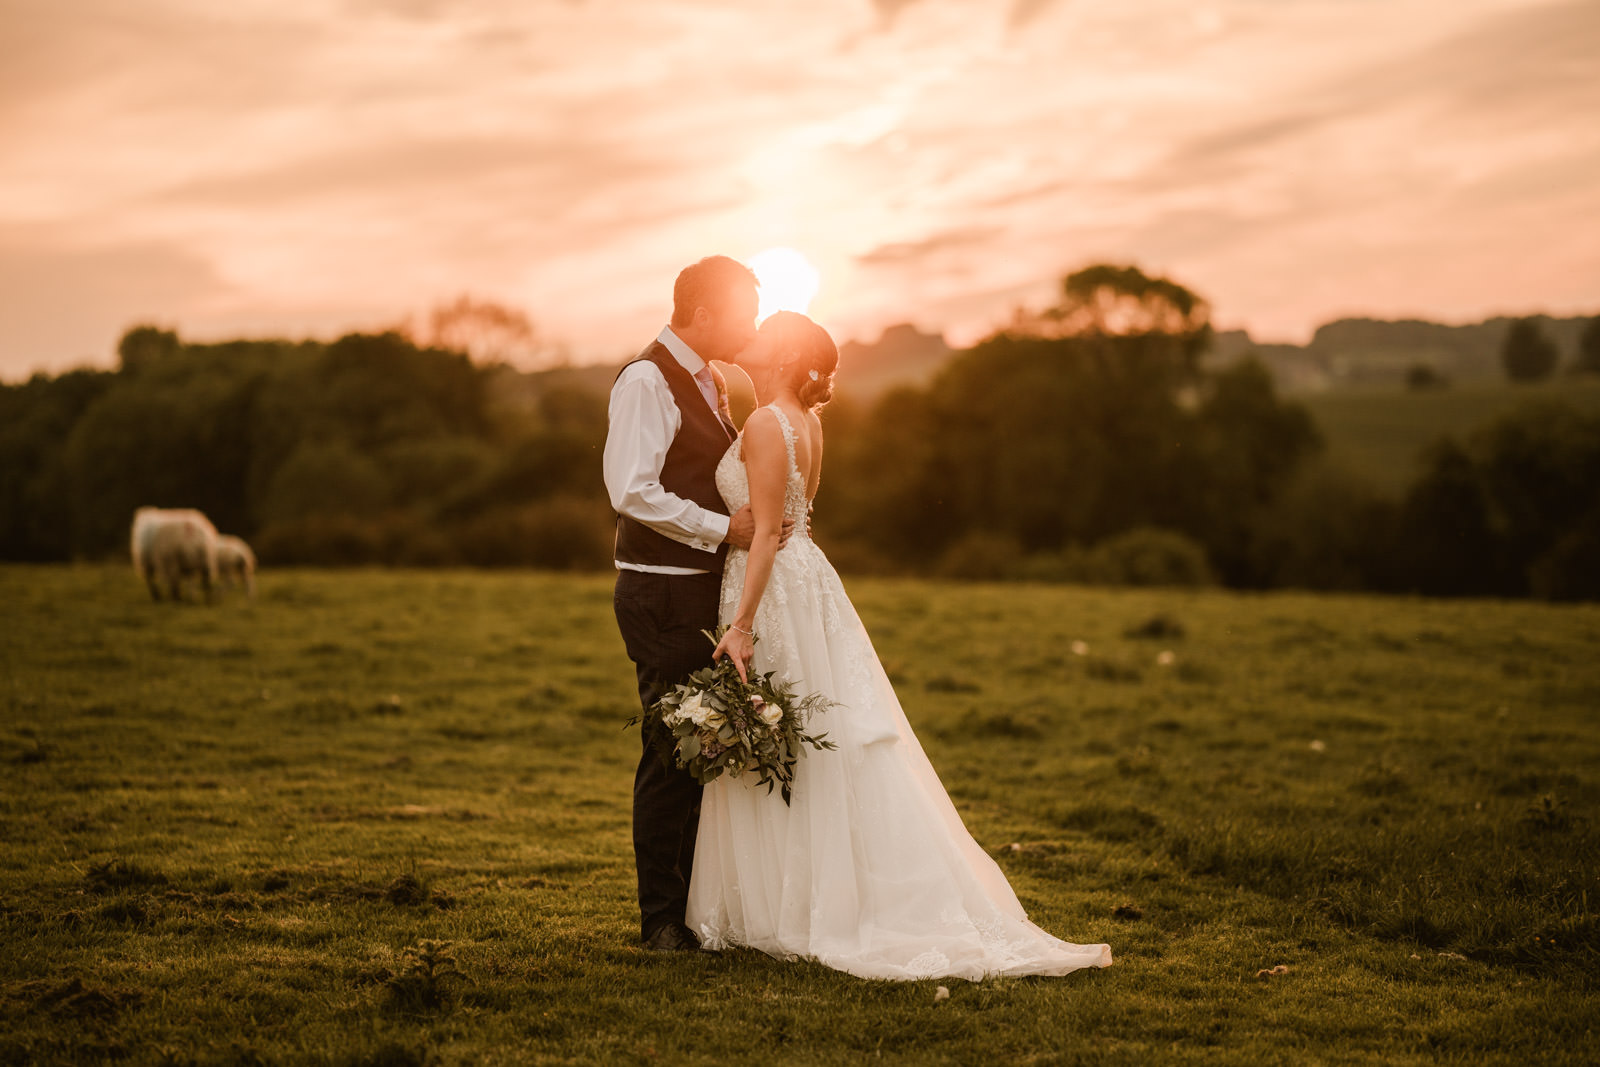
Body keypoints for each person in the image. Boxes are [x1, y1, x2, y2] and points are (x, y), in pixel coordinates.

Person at [687, 311, 1114, 980]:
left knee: (786, 731)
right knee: (803, 732)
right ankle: (792, 895)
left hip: (770, 589)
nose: (753, 334)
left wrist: (740, 625)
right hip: (804, 581)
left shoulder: (768, 423)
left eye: (767, 330)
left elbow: (768, 531)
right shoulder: (806, 421)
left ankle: (794, 904)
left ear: (783, 354)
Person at [604, 255, 792, 953]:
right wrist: (725, 529)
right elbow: (632, 489)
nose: (749, 325)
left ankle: (690, 906)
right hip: (660, 589)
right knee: (670, 746)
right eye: (742, 310)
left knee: (700, 744)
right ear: (704, 313)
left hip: (699, 589)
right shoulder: (647, 380)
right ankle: (659, 919)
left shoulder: (710, 380)